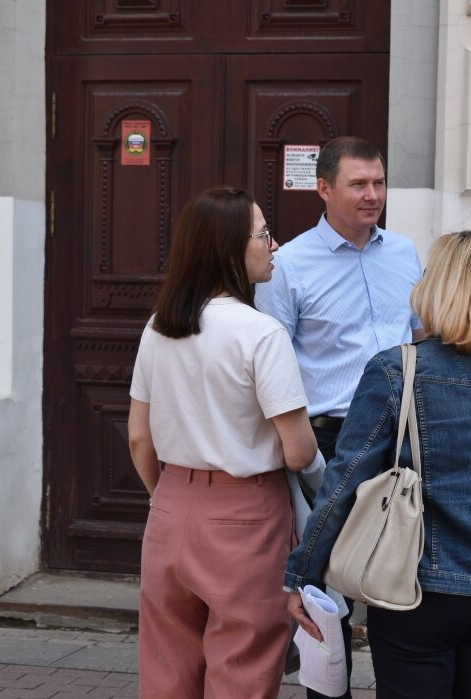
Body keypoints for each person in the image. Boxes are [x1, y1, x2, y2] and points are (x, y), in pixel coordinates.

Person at [285, 231, 471, 699]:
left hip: (416, 595)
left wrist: (303, 575)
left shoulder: (395, 371)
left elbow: (343, 483)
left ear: (432, 291)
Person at [127, 186, 323, 699]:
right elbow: (300, 451)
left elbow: (138, 437)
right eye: (263, 234)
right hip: (246, 514)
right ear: (229, 249)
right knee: (243, 673)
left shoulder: (159, 327)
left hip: (170, 508)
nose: (273, 244)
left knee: (167, 673)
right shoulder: (261, 334)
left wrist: (168, 495)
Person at [254, 136, 424, 699]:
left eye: (378, 182)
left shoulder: (404, 253)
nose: (373, 195)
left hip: (405, 438)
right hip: (330, 441)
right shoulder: (289, 266)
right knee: (326, 592)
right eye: (358, 184)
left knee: (400, 569)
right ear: (323, 188)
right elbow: (271, 363)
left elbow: (422, 338)